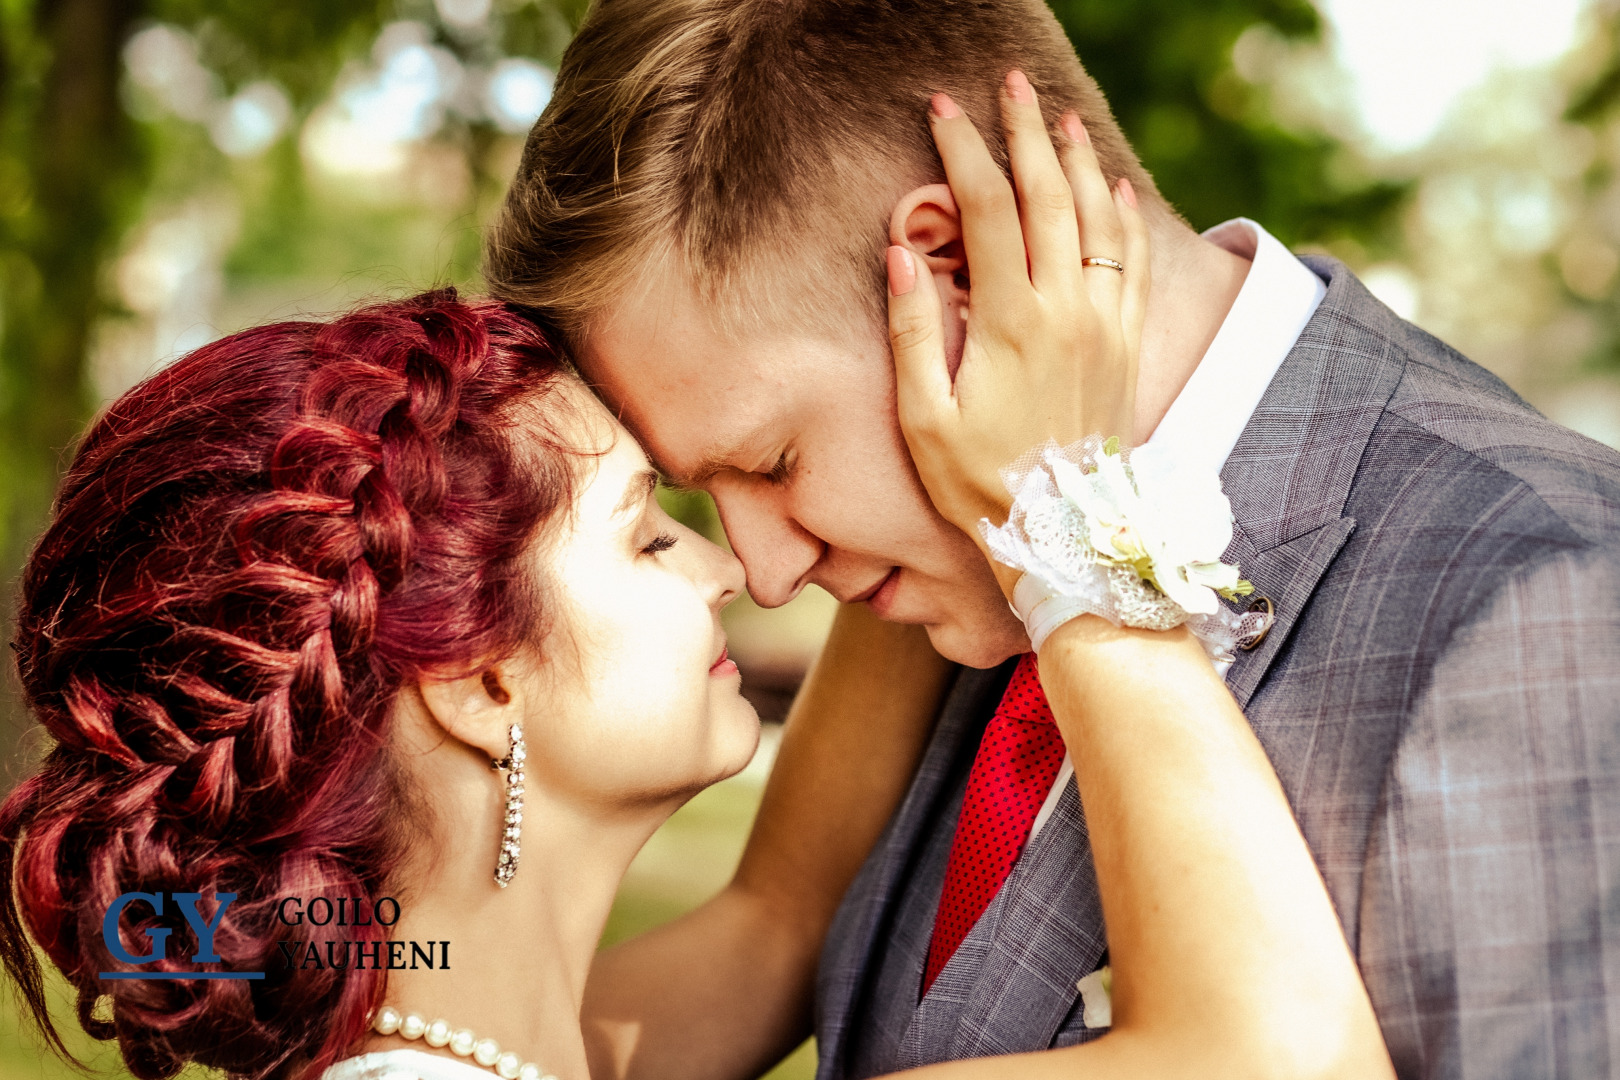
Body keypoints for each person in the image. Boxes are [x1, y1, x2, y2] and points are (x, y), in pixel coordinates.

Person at [0, 97, 1393, 1080]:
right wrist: (1067, 500)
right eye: (648, 536)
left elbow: (777, 916)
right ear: (483, 682)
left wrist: (936, 443)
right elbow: (1287, 1060)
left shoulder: (475, 1034)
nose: (741, 566)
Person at [483, 1, 1620, 1078]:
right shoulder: (952, 563)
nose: (767, 575)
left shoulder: (1543, 604)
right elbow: (771, 931)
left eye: (773, 462)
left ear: (955, 272)